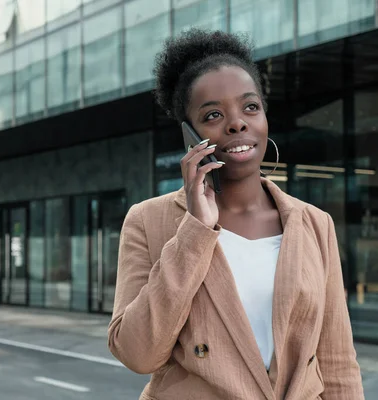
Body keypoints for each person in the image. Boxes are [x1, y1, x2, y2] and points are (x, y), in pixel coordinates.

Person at [108, 28, 364, 400]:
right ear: (189, 134)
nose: (237, 123)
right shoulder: (149, 220)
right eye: (213, 114)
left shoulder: (314, 223)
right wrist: (195, 230)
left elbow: (338, 362)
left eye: (250, 107)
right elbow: (137, 353)